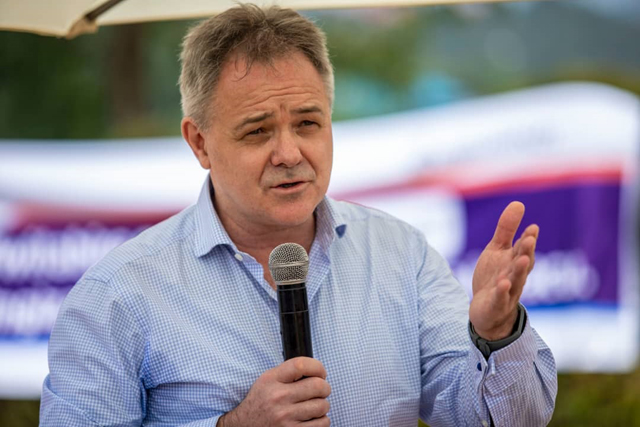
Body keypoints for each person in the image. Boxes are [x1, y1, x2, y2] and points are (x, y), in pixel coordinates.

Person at [39, 4, 557, 426]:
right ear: (199, 142)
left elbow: (508, 420)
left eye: (308, 124)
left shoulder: (402, 256)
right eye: (257, 131)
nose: (289, 154)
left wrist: (496, 334)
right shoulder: (117, 296)